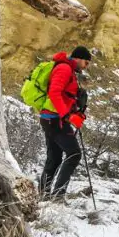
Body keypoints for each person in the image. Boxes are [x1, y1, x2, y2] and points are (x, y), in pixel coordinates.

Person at [38, 46, 92, 201]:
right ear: (78, 58)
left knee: (54, 157)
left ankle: (44, 195)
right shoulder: (64, 69)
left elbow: (65, 95)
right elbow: (54, 93)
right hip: (55, 119)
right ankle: (58, 195)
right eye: (86, 63)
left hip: (52, 118)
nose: (85, 66)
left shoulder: (68, 69)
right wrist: (67, 116)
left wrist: (75, 113)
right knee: (74, 153)